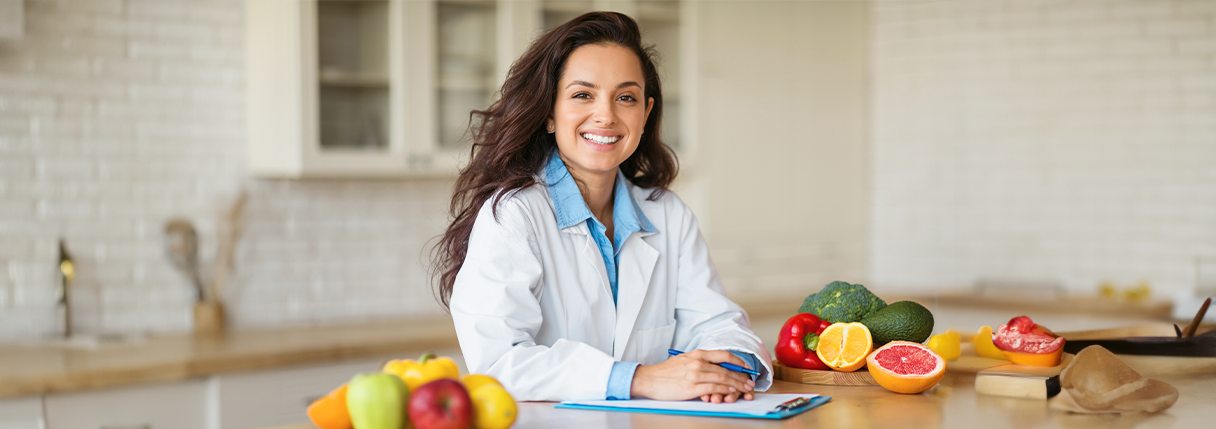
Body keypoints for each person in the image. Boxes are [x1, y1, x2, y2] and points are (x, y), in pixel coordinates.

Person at [431, 11, 772, 402]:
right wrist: (639, 379)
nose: (606, 115)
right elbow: (498, 363)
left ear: (644, 114)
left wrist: (725, 368)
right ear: (549, 114)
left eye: (625, 97)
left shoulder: (668, 214)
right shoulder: (514, 215)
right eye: (582, 95)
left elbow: (714, 321)